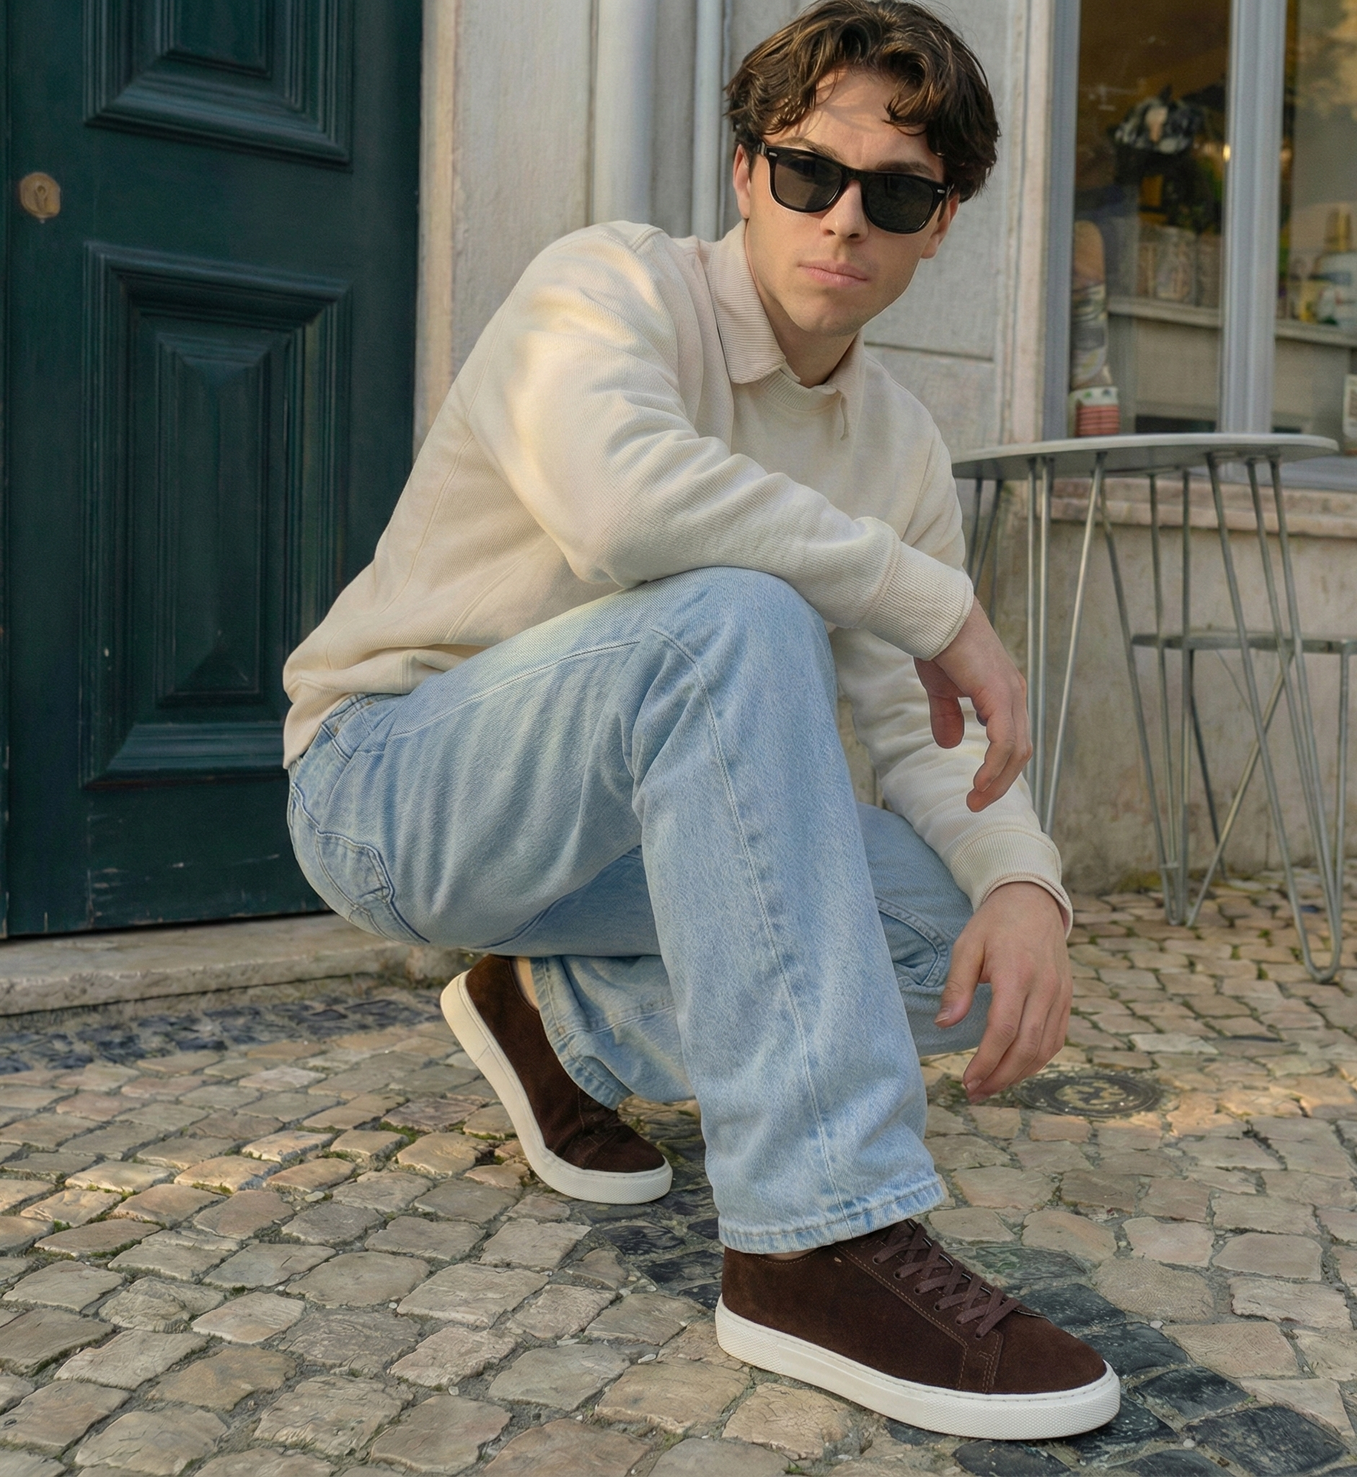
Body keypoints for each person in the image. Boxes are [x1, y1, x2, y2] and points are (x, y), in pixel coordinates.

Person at [282, 0, 1117, 1439]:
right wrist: (928, 598)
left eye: (895, 194)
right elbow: (624, 507)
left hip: (603, 858)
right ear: (745, 170)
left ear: (940, 224)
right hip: (395, 788)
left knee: (961, 945)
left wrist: (1025, 881)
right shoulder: (606, 286)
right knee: (736, 613)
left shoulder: (899, 446)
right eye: (808, 172)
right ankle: (813, 1238)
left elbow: (911, 729)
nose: (842, 218)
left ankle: (555, 1020)